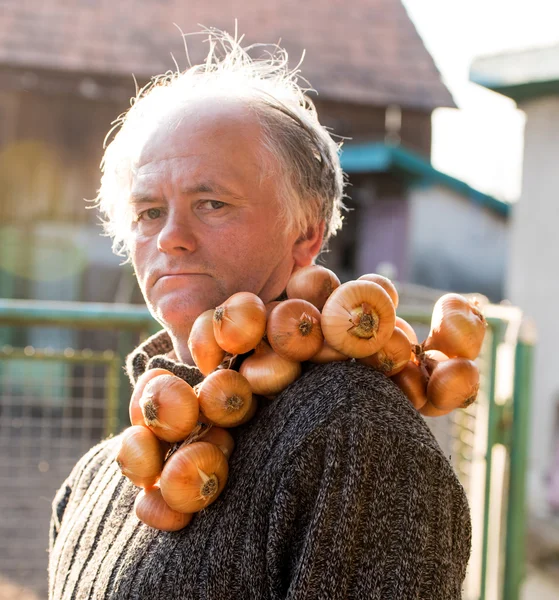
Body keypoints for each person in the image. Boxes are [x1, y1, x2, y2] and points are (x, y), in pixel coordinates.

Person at [48, 29, 471, 599]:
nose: (171, 237)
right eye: (149, 211)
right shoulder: (96, 479)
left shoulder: (352, 438)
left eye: (212, 203)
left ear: (307, 232)